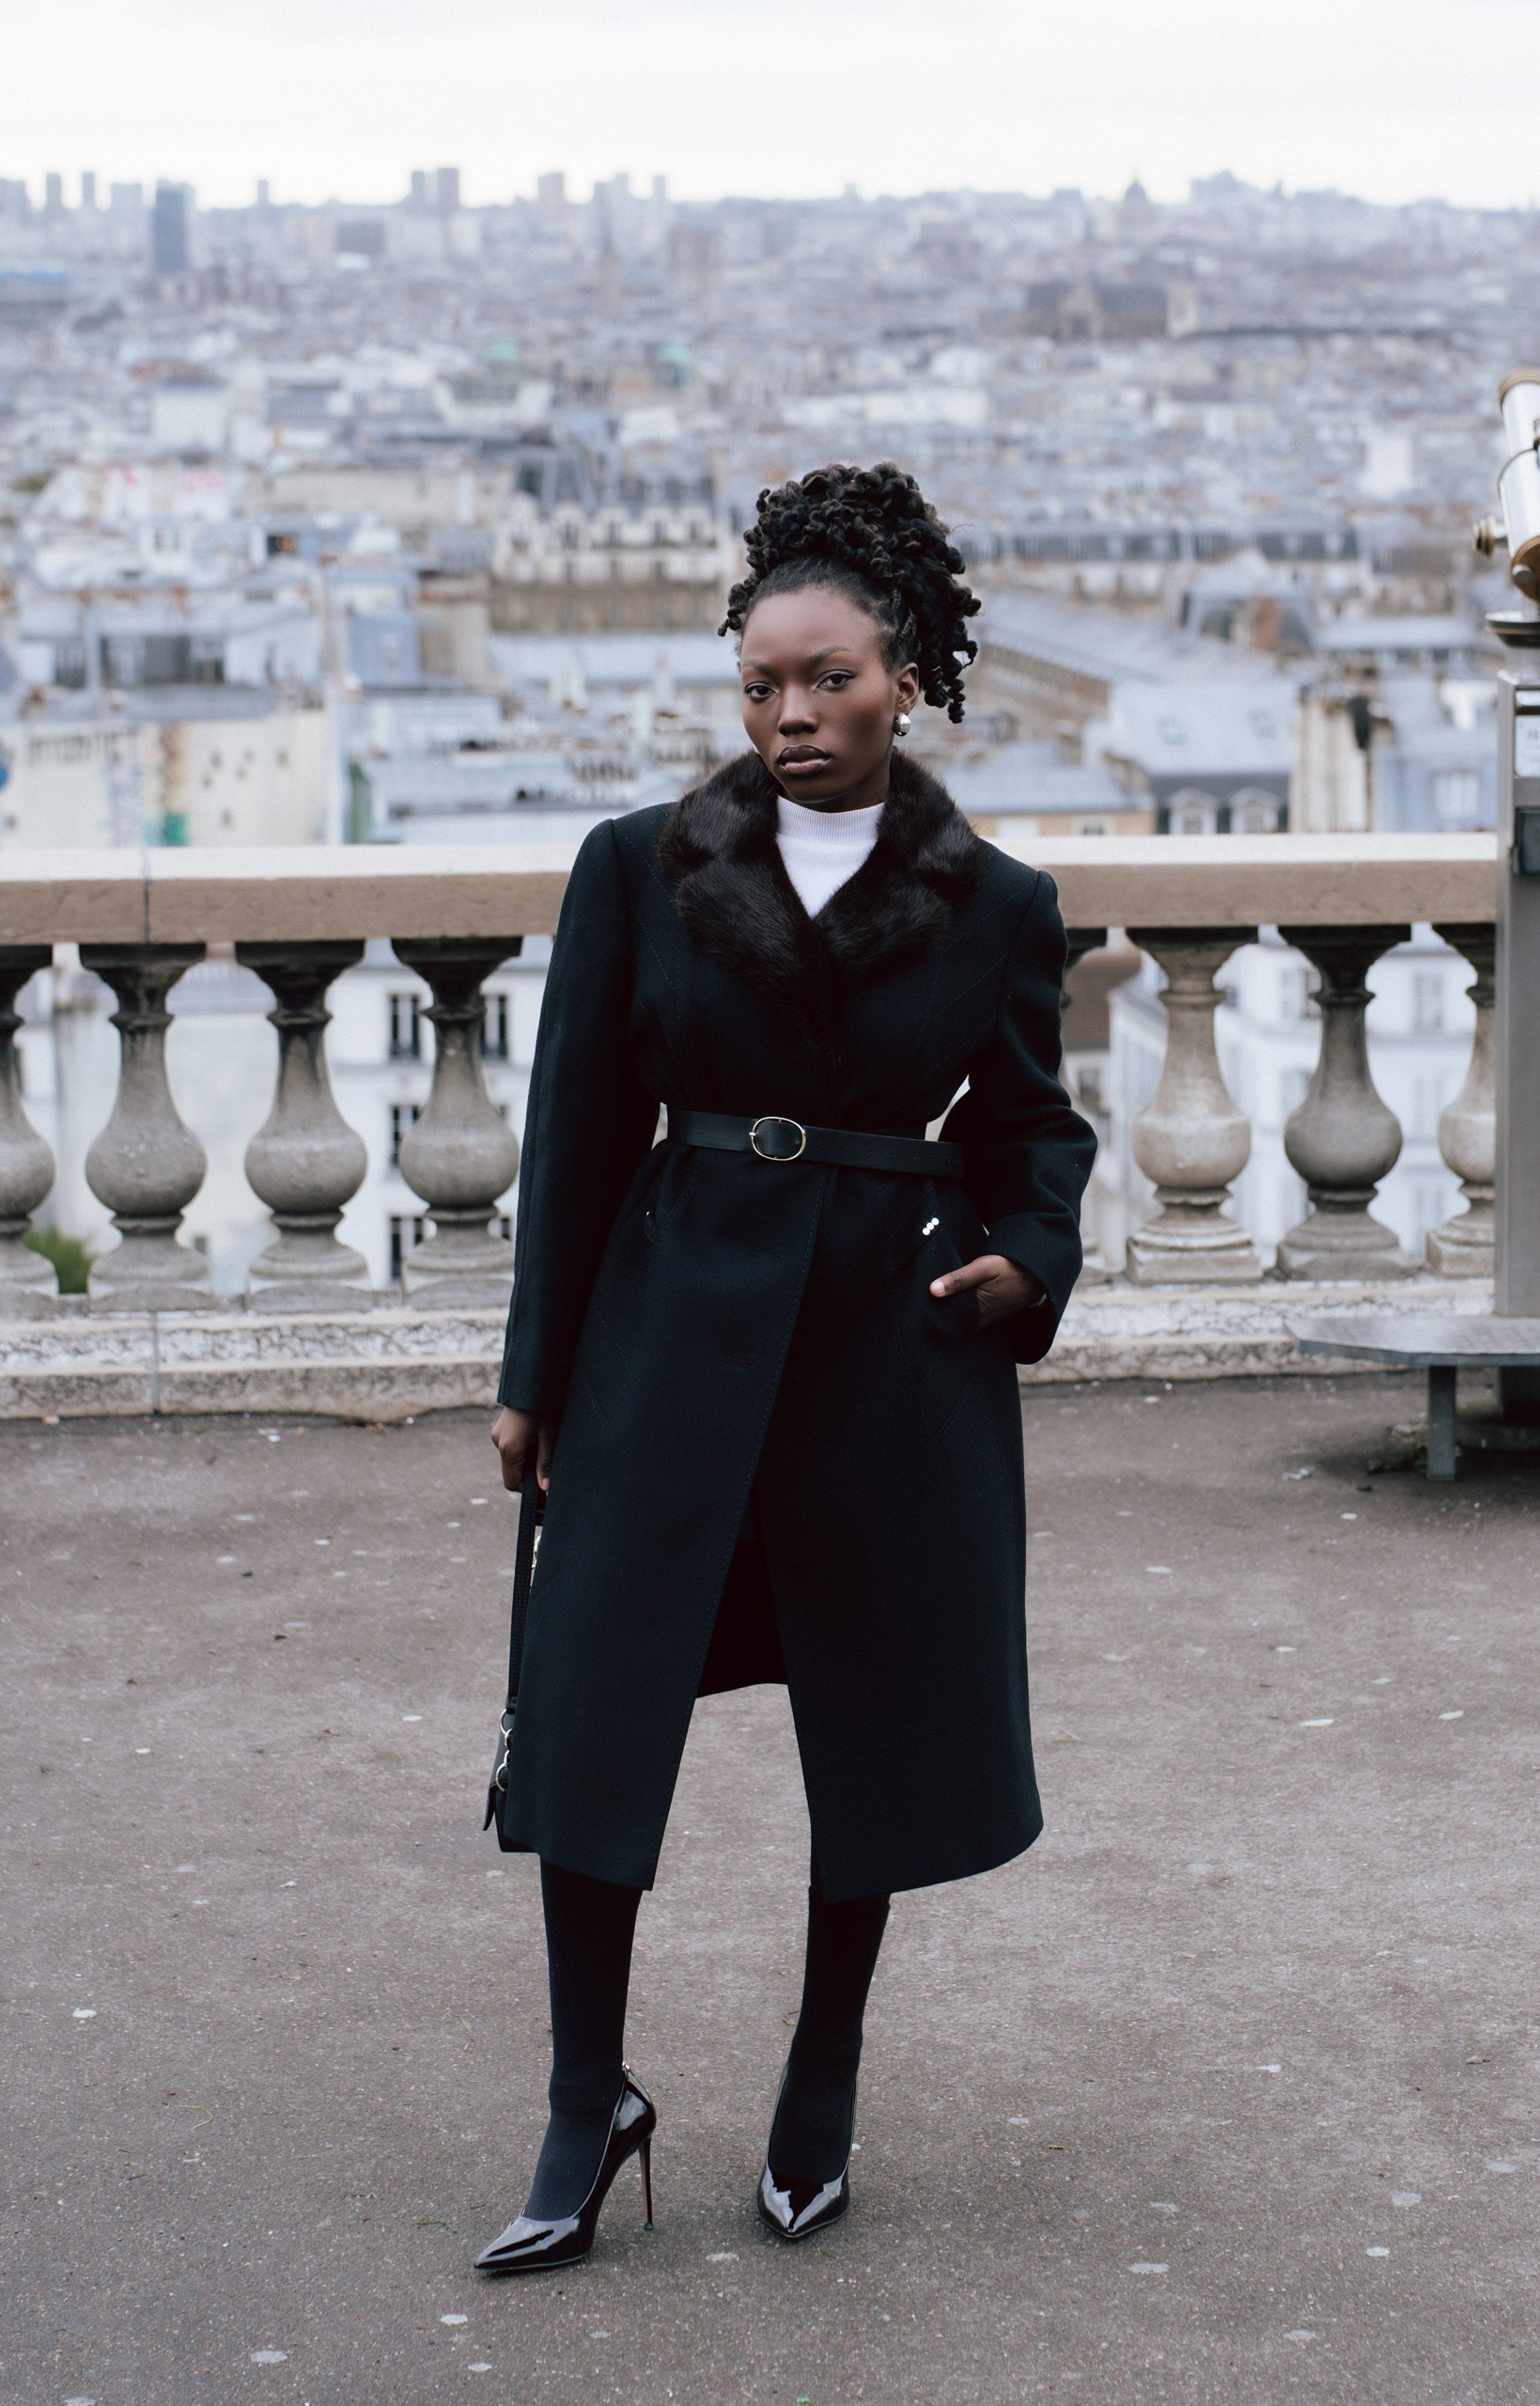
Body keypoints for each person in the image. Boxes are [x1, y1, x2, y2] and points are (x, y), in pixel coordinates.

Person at [474, 461, 1097, 2274]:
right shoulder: (637, 868)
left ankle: (822, 2070)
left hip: (889, 1348)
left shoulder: (996, 898)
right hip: (667, 1338)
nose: (791, 717)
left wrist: (1026, 1264)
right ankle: (586, 2102)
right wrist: (533, 1377)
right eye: (760, 688)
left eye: (826, 680)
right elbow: (573, 1134)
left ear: (901, 674)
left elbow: (1035, 1127)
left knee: (877, 1713)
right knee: (592, 1713)